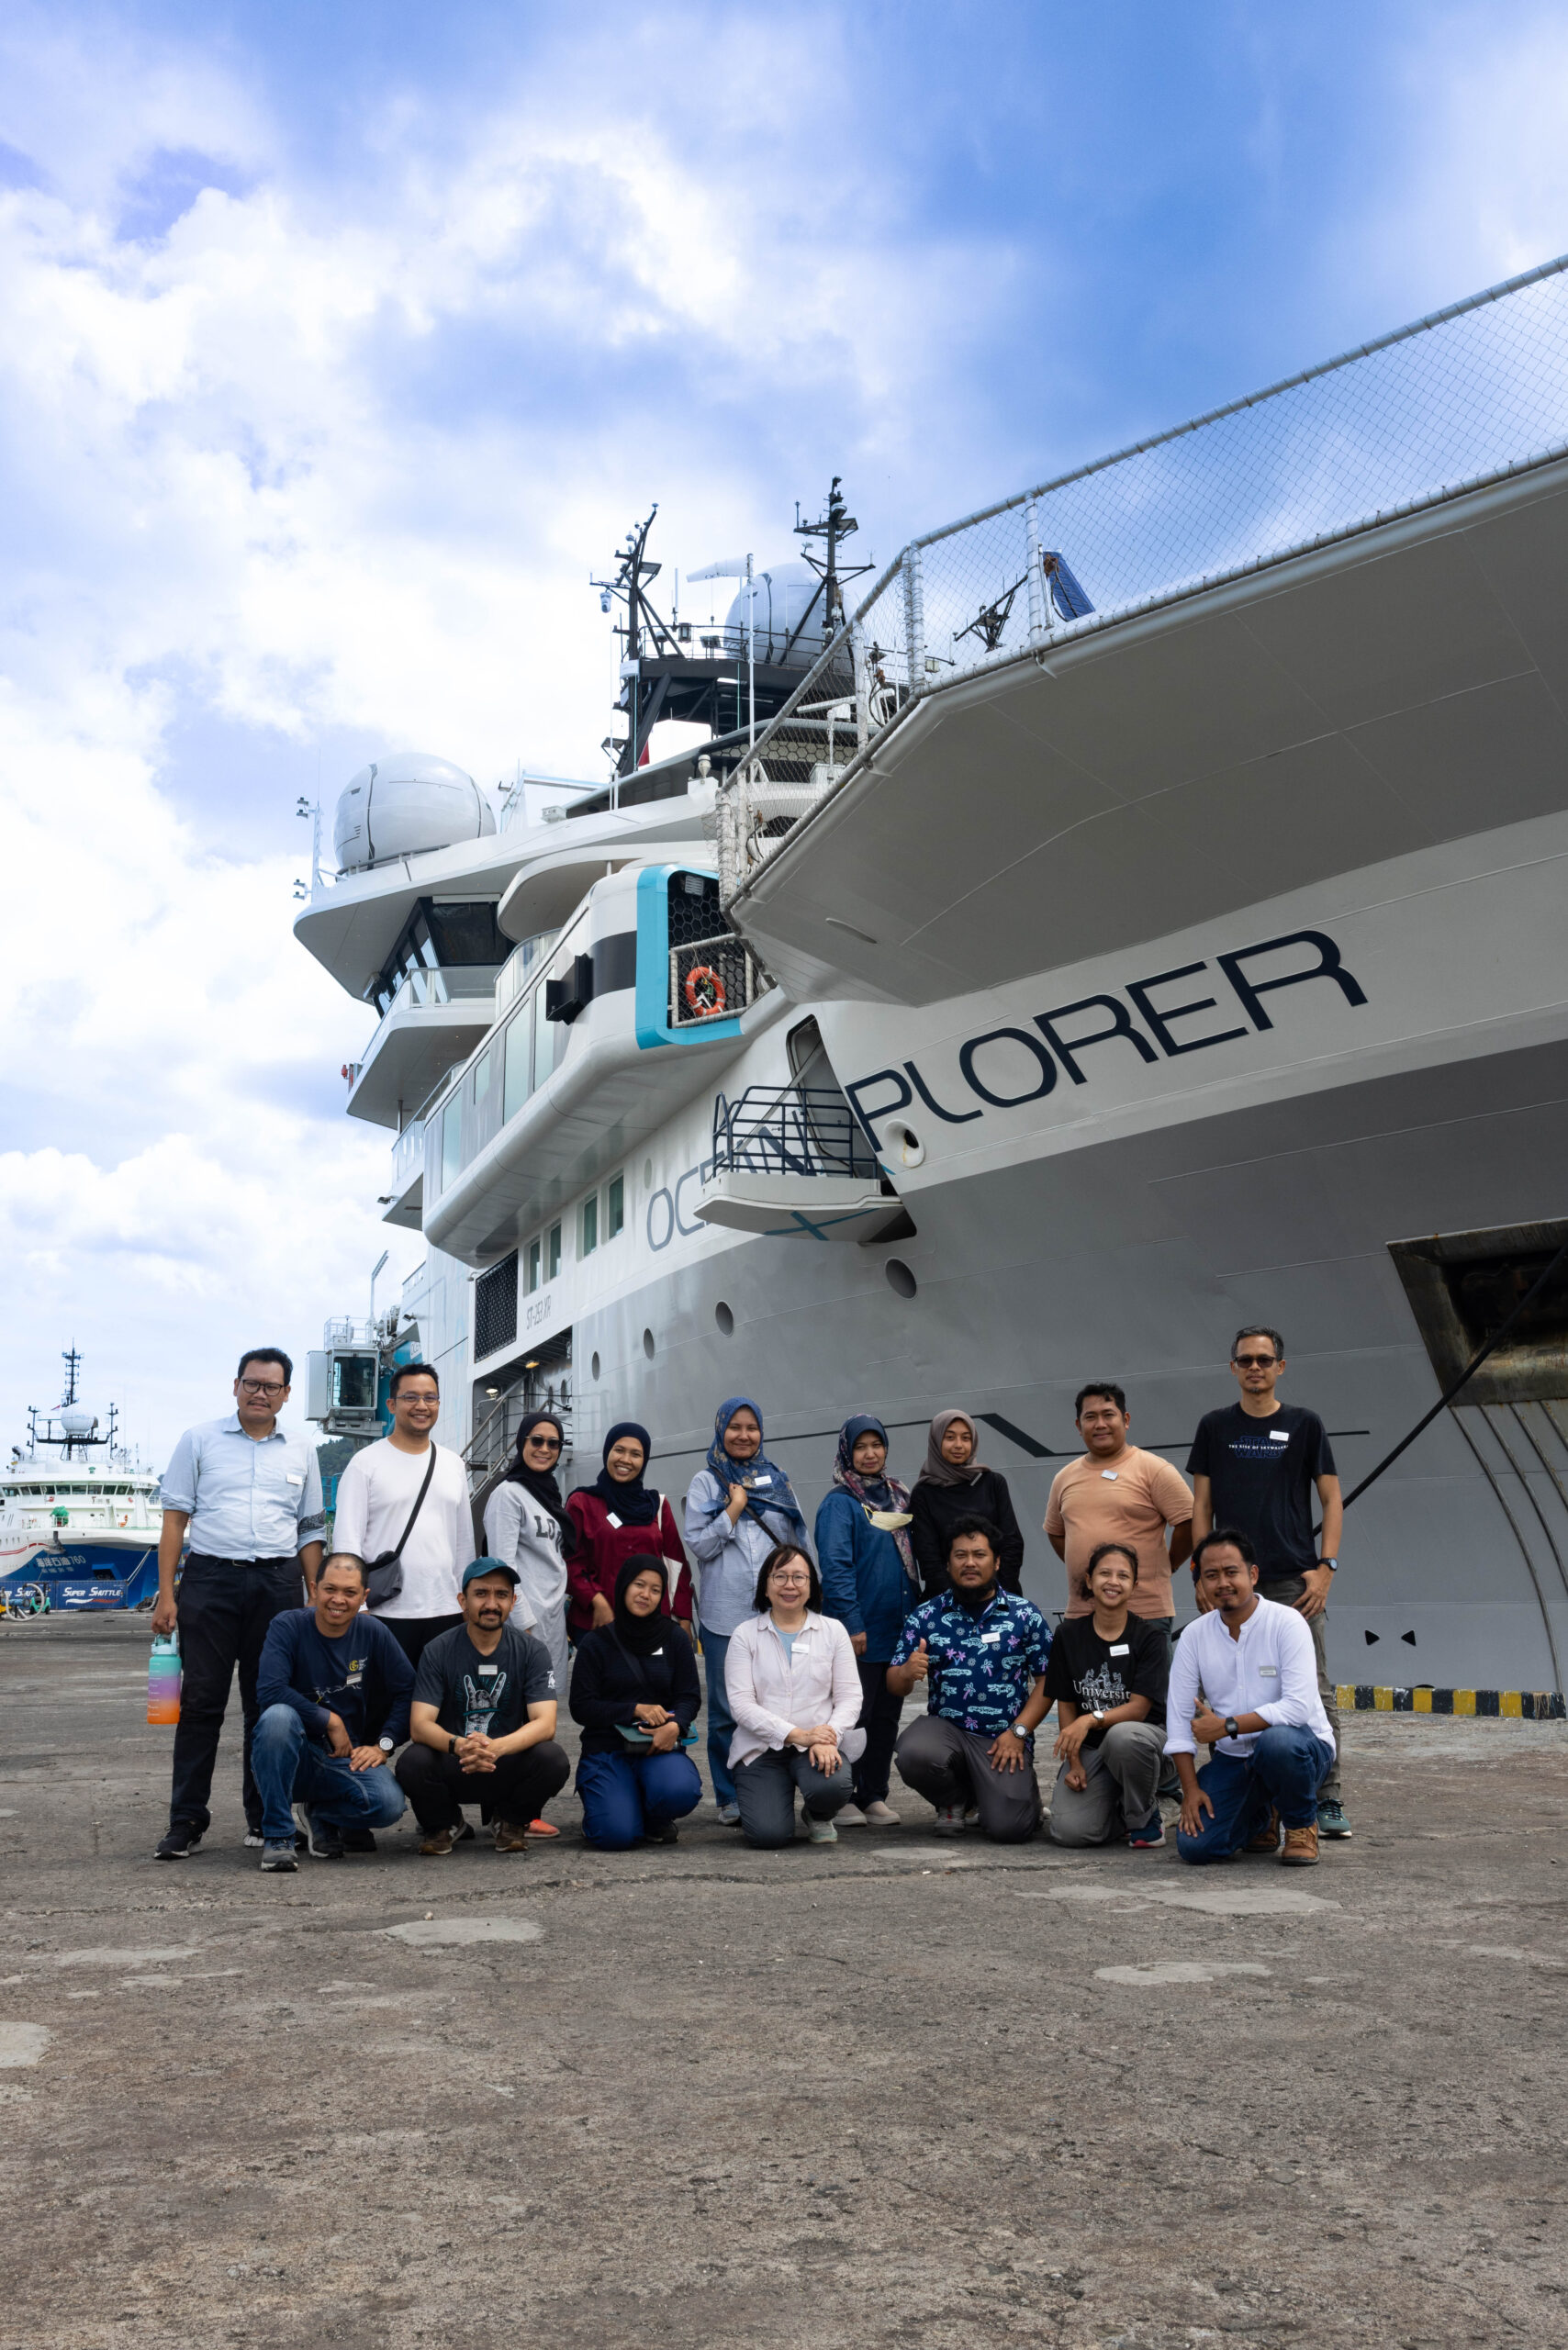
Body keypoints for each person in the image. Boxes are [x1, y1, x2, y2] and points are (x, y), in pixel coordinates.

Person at [151, 1347, 326, 1860]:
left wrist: (314, 1592)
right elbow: (174, 1521)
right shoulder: (199, 1440)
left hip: (277, 1584)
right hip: (210, 1581)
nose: (260, 1393)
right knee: (201, 1703)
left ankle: (264, 1818)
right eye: (252, 1383)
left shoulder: (303, 1448)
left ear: (287, 1394)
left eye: (271, 1387)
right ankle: (186, 1820)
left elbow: (310, 1528)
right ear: (235, 1386)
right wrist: (167, 1594)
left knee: (266, 1704)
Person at [1187, 1326, 1350, 1838]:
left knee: (1314, 1688)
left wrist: (1326, 1567)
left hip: (1291, 1581)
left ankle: (1327, 1797)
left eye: (1264, 1359)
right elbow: (1202, 1506)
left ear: (1281, 1366)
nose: (1255, 1368)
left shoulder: (1305, 1424)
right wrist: (1200, 1570)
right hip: (1229, 1581)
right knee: (1228, 1684)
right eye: (1245, 1360)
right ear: (1232, 1368)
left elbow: (1330, 1499)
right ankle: (1252, 1797)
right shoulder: (1214, 1426)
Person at [1167, 1530, 1338, 1867]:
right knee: (1195, 1848)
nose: (1223, 1583)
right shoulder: (1194, 1636)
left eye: (1231, 1572)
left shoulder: (1286, 1623)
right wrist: (1190, 1790)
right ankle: (1263, 1815)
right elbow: (1178, 1719)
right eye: (1211, 1575)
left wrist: (1227, 1726)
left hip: (1301, 1750)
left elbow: (1297, 1708)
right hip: (1236, 1761)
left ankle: (1301, 1824)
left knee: (1276, 1744)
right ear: (1200, 1581)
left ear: (1253, 1574)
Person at [683, 1397, 811, 1827]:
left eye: (751, 1427)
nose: (743, 1435)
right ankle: (728, 1795)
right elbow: (699, 1545)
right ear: (721, 1430)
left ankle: (772, 1788)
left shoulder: (778, 1480)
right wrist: (733, 1510)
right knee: (724, 1709)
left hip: (779, 1614)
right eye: (734, 1427)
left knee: (782, 1701)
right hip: (725, 1613)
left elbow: (797, 1543)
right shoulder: (706, 1482)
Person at [889, 1517, 1051, 1841]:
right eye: (960, 1555)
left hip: (1003, 1740)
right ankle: (953, 1801)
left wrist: (1018, 1732)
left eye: (979, 1554)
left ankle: (1017, 1796)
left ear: (997, 1561)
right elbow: (894, 1683)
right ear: (948, 1563)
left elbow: (1048, 1681)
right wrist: (906, 1673)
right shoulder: (926, 1615)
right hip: (947, 1734)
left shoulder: (1024, 1614)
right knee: (914, 1753)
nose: (970, 1563)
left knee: (1011, 1830)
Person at [396, 1558, 570, 1855]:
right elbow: (420, 1725)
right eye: (481, 1594)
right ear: (462, 1600)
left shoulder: (532, 1651)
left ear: (513, 1601)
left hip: (505, 1759)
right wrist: (461, 1745)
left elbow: (545, 1723)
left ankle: (510, 1821)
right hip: (456, 1759)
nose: (491, 1603)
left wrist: (498, 1747)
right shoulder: (438, 1650)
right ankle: (446, 1823)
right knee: (412, 1762)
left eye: (501, 1594)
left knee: (553, 1759)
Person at [252, 1551, 412, 1872]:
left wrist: (385, 1744)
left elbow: (410, 1691)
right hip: (291, 1754)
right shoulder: (288, 1625)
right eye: (330, 1589)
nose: (338, 1600)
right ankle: (278, 1836)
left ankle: (320, 1813)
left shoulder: (373, 1632)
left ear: (364, 1596)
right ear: (314, 1587)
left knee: (390, 1806)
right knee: (278, 1717)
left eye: (350, 1592)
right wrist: (328, 1719)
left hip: (343, 1757)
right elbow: (269, 1690)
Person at [330, 1362, 476, 1669]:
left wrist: (466, 1601)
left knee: (440, 1707)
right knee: (385, 1708)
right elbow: (347, 1540)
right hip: (385, 1612)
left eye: (430, 1398)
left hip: (446, 1609)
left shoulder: (453, 1465)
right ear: (392, 1404)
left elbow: (464, 1542)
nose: (421, 1406)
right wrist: (359, 1607)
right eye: (411, 1397)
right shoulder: (365, 1464)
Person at [816, 1415, 919, 1827]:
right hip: (857, 1631)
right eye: (861, 1447)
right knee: (851, 1716)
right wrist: (852, 1623)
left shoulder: (899, 1497)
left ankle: (872, 1793)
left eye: (877, 1445)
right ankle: (841, 1793)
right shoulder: (840, 1503)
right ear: (848, 1452)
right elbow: (836, 1567)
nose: (870, 1453)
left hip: (898, 1628)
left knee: (885, 1717)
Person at [725, 1544, 865, 1847]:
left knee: (834, 1787)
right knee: (768, 1836)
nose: (790, 1585)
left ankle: (818, 1815)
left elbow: (850, 1696)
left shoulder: (833, 1631)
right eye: (780, 1576)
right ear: (765, 1585)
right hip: (761, 1748)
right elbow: (741, 1705)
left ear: (811, 1585)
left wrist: (829, 1737)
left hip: (819, 1745)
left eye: (799, 1577)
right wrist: (797, 1735)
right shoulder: (745, 1635)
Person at [569, 1556, 704, 1849]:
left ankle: (654, 1817)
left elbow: (689, 1696)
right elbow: (581, 1706)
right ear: (623, 1586)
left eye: (656, 1589)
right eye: (639, 1585)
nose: (646, 1594)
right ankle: (607, 1810)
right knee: (614, 1835)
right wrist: (633, 1709)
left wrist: (676, 1726)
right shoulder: (596, 1644)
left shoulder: (674, 1639)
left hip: (658, 1748)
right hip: (607, 1750)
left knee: (680, 1790)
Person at [1043, 1541, 1169, 1850]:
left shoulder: (1150, 1638)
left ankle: (1144, 1817)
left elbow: (1139, 1709)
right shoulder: (1068, 1635)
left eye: (1123, 1576)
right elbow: (1066, 1703)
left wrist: (1092, 1719)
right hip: (1092, 1751)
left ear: (1134, 1585)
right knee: (1069, 1833)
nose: (1113, 1582)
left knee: (1122, 1737)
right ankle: (1116, 1812)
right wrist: (1074, 1762)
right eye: (1105, 1574)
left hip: (1143, 1745)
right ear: (1089, 1580)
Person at [566, 1423, 692, 1644]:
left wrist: (684, 1618)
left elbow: (677, 1565)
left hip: (651, 1623)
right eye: (619, 1450)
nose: (625, 1460)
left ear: (644, 1461)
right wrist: (597, 1601)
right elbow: (571, 1562)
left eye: (636, 1454)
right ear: (607, 1452)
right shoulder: (582, 1503)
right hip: (599, 1622)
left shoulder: (657, 1506)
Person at [484, 1410, 574, 1694]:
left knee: (544, 1703)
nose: (544, 1449)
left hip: (552, 1618)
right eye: (536, 1440)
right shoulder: (508, 1495)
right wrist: (523, 1625)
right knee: (517, 1703)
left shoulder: (547, 1493)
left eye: (553, 1443)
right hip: (523, 1624)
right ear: (522, 1443)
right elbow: (502, 1569)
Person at [910, 1409, 1025, 1598]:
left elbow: (1012, 1543)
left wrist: (993, 1594)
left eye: (965, 1438)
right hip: (946, 1603)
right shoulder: (923, 1493)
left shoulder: (993, 1483)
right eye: (950, 1437)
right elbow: (928, 1557)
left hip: (998, 1596)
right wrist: (958, 1602)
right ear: (937, 1440)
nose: (958, 1445)